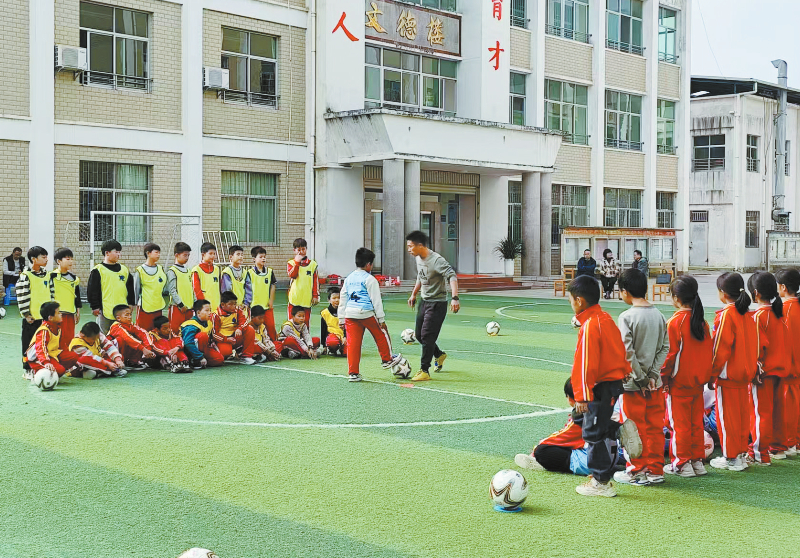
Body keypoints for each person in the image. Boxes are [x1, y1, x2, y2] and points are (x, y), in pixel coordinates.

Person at [566, 275, 634, 497]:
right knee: (584, 420)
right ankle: (616, 428)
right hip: (612, 383)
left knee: (592, 434)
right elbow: (619, 347)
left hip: (599, 387)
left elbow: (586, 363)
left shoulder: (591, 326)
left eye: (570, 300)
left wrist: (582, 396)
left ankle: (601, 481)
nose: (571, 304)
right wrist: (624, 370)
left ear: (579, 301)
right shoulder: (604, 318)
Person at [613, 269, 670, 487]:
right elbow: (665, 347)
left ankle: (637, 470)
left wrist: (642, 378)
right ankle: (656, 470)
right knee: (655, 427)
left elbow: (627, 353)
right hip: (655, 385)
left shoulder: (626, 317)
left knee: (633, 428)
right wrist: (653, 374)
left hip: (633, 385)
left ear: (625, 291)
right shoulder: (659, 315)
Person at [515, 378, 640, 476]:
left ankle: (543, 464)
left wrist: (537, 448)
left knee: (543, 451)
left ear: (570, 398)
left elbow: (562, 437)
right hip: (614, 454)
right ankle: (621, 461)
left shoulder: (581, 415)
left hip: (593, 462)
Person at [661, 275, 714, 477]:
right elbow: (709, 353)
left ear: (676, 298)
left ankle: (681, 463)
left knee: (679, 425)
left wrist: (664, 379)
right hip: (698, 383)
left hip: (679, 383)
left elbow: (669, 356)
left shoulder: (675, 322)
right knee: (695, 423)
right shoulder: (702, 322)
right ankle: (696, 461)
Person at [708, 272, 758, 471]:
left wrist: (712, 373)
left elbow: (720, 348)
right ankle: (740, 454)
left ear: (722, 292)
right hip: (745, 375)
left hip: (728, 376)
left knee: (727, 419)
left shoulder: (727, 315)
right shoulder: (747, 314)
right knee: (741, 417)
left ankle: (731, 457)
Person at [338, 248, 401, 382]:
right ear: (368, 264)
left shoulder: (348, 278)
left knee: (353, 344)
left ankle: (353, 373)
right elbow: (376, 300)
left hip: (350, 314)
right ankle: (387, 359)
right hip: (365, 312)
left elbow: (343, 298)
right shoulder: (370, 279)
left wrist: (341, 318)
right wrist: (381, 319)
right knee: (381, 334)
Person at [747, 271, 790, 466]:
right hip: (780, 369)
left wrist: (754, 370)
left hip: (763, 373)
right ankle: (778, 447)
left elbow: (756, 348)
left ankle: (759, 453)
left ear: (755, 293)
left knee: (760, 413)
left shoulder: (758, 316)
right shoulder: (777, 314)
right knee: (777, 411)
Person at [406, 230, 459, 382]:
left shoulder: (437, 261)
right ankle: (439, 355)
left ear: (420, 245)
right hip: (424, 301)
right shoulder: (418, 258)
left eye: (410, 246)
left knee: (427, 336)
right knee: (419, 335)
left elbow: (452, 276)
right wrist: (414, 294)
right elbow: (420, 276)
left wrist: (455, 298)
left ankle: (424, 370)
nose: (409, 250)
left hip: (437, 303)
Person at [25, 302, 105, 382]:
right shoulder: (44, 330)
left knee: (73, 356)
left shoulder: (58, 327)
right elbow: (40, 349)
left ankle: (57, 370)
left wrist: (74, 362)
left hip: (52, 354)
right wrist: (46, 362)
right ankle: (36, 371)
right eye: (58, 313)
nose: (61, 314)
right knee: (60, 371)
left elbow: (62, 346)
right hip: (37, 358)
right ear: (51, 318)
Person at [774, 268, 800, 458]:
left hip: (790, 367)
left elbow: (786, 342)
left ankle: (790, 442)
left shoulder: (786, 309)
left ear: (783, 287)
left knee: (788, 408)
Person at [87, 239, 135, 333]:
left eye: (119, 252)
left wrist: (131, 303)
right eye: (116, 252)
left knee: (124, 335)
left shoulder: (124, 270)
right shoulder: (98, 270)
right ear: (107, 253)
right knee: (105, 336)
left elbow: (130, 289)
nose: (119, 254)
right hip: (105, 311)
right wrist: (95, 306)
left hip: (122, 311)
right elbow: (92, 290)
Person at [16, 246, 50, 374]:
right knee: (28, 344)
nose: (46, 259)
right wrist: (26, 314)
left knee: (44, 344)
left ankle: (41, 366)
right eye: (43, 257)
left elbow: (51, 294)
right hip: (32, 319)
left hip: (45, 319)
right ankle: (27, 369)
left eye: (46, 257)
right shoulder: (25, 276)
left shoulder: (47, 275)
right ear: (34, 259)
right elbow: (22, 295)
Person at [49, 248, 82, 353]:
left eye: (71, 259)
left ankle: (68, 357)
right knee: (57, 339)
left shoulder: (74, 278)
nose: (70, 261)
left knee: (69, 338)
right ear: (59, 261)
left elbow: (77, 296)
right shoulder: (51, 276)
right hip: (57, 314)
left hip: (70, 314)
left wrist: (77, 311)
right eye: (67, 259)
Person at [212, 291, 257, 365]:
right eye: (230, 304)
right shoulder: (216, 315)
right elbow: (214, 334)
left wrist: (239, 328)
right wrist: (226, 339)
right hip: (224, 340)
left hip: (235, 337)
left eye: (235, 303)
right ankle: (229, 353)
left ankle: (246, 356)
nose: (234, 306)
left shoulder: (237, 310)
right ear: (223, 304)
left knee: (250, 329)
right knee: (225, 352)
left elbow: (244, 322)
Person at [245, 246, 278, 342]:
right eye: (260, 257)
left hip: (266, 306)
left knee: (271, 326)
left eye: (264, 257)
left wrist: (271, 300)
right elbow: (246, 289)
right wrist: (247, 304)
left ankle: (274, 344)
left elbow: (273, 286)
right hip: (254, 307)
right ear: (254, 259)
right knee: (254, 329)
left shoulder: (270, 272)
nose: (263, 259)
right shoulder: (249, 273)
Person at [108, 304, 157, 369]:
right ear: (118, 318)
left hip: (125, 350)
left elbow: (143, 333)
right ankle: (118, 362)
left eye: (130, 314)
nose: (130, 317)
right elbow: (127, 337)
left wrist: (148, 349)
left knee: (140, 336)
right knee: (121, 340)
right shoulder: (116, 327)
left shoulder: (130, 325)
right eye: (127, 315)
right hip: (111, 352)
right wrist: (143, 349)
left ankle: (133, 362)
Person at [134, 243, 168, 332]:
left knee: (157, 331)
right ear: (148, 253)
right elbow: (136, 290)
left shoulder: (161, 269)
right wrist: (134, 304)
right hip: (145, 308)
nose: (158, 255)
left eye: (159, 252)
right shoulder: (140, 270)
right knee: (143, 332)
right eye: (156, 252)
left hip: (158, 306)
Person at [181, 299, 224, 369]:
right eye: (207, 310)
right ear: (198, 313)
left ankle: (202, 361)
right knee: (202, 336)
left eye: (210, 310)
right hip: (189, 352)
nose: (210, 313)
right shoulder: (190, 325)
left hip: (204, 349)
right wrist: (199, 357)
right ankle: (195, 361)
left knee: (219, 359)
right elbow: (188, 343)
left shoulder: (209, 322)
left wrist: (212, 343)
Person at [287, 238, 319, 327]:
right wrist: (297, 263)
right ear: (294, 250)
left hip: (306, 299)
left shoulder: (313, 265)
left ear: (306, 249)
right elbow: (292, 275)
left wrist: (315, 295)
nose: (301, 252)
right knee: (292, 323)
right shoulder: (291, 263)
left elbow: (315, 281)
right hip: (294, 299)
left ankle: (305, 336)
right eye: (298, 250)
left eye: (303, 249)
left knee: (305, 323)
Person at [166, 242, 194, 335]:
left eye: (188, 255)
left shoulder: (188, 271)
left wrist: (194, 302)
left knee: (188, 332)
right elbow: (172, 290)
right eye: (185, 255)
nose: (187, 258)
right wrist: (180, 304)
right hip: (178, 308)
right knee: (175, 332)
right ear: (176, 255)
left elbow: (192, 288)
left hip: (189, 308)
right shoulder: (172, 271)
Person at [192, 242, 221, 312]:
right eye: (210, 253)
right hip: (204, 307)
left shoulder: (217, 269)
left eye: (214, 254)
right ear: (203, 255)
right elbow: (196, 290)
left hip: (217, 306)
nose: (213, 256)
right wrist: (203, 305)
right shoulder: (196, 270)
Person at [321, 286, 346, 356]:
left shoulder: (346, 311)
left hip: (344, 336)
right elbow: (323, 330)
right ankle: (332, 349)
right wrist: (324, 346)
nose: (337, 300)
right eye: (334, 298)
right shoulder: (325, 313)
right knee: (332, 343)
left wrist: (345, 337)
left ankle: (342, 348)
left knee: (347, 353)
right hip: (332, 335)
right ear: (329, 300)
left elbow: (348, 326)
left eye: (339, 298)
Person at [221, 245, 246, 310]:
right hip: (231, 308)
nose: (240, 257)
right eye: (238, 254)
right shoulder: (227, 272)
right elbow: (226, 291)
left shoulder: (245, 272)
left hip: (243, 307)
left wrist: (246, 303)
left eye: (242, 255)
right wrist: (233, 304)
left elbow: (248, 289)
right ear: (231, 257)